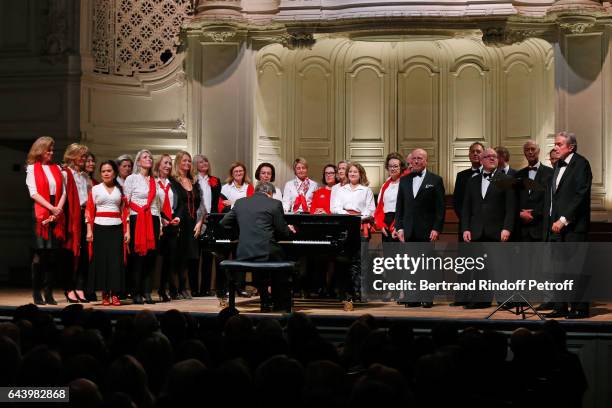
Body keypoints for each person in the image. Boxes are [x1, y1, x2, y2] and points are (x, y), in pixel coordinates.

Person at [220, 182, 296, 312]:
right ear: (270, 193)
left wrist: (242, 231)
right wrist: (289, 229)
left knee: (265, 261)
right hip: (266, 251)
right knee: (284, 260)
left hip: (244, 252)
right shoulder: (275, 204)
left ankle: (265, 301)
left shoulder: (240, 202)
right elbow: (283, 232)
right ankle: (280, 304)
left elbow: (223, 223)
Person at [544, 132, 592, 319]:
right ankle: (560, 306)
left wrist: (564, 219)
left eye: (559, 144)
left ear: (571, 147)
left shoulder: (581, 164)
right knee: (559, 270)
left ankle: (580, 308)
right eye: (555, 144)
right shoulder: (557, 166)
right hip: (556, 226)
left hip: (573, 226)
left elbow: (580, 195)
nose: (555, 147)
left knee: (576, 269)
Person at [462, 147, 516, 309]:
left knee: (501, 268)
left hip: (498, 231)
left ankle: (505, 299)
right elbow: (466, 208)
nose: (492, 158)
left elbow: (511, 208)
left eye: (495, 156)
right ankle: (481, 300)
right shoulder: (472, 180)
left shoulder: (506, 179)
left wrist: (507, 228)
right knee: (481, 269)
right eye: (488, 156)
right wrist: (466, 228)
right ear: (481, 160)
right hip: (477, 231)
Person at [394, 149, 445, 308]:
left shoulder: (435, 180)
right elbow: (399, 207)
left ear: (425, 161)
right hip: (408, 230)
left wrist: (436, 228)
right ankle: (412, 297)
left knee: (426, 266)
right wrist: (399, 227)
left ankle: (427, 297)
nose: (416, 161)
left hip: (427, 230)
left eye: (419, 158)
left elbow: (440, 208)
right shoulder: (405, 180)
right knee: (411, 267)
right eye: (414, 158)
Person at [25, 136, 66, 305]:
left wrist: (57, 211)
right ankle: (36, 292)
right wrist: (51, 208)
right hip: (40, 214)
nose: (51, 152)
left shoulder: (57, 168)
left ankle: (49, 293)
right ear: (40, 150)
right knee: (39, 254)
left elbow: (63, 191)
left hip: (55, 213)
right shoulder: (32, 169)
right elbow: (33, 193)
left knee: (52, 256)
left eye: (52, 149)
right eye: (48, 149)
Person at [85, 160, 129, 306]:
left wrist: (127, 231)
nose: (106, 173)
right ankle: (104, 293)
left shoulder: (120, 189)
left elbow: (125, 211)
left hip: (116, 228)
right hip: (99, 227)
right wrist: (89, 230)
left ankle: (115, 294)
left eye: (109, 171)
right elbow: (89, 211)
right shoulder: (96, 189)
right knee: (102, 261)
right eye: (103, 171)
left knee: (115, 261)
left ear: (114, 172)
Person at [331, 162, 375, 302]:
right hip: (344, 228)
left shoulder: (366, 190)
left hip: (361, 227)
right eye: (350, 172)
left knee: (360, 262)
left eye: (355, 172)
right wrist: (348, 216)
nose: (352, 174)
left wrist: (357, 218)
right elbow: (335, 208)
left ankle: (359, 293)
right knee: (343, 261)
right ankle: (344, 293)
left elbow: (371, 210)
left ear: (360, 174)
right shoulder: (340, 190)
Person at [124, 149, 162, 305]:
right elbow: (126, 203)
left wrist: (159, 224)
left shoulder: (155, 180)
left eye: (150, 157)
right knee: (138, 257)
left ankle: (147, 291)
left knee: (150, 258)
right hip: (136, 219)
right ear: (138, 162)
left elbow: (157, 206)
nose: (149, 159)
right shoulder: (132, 179)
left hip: (152, 218)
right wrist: (126, 226)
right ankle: (136, 292)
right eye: (145, 157)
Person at [173, 151, 205, 299]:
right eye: (184, 161)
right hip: (180, 222)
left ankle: (184, 287)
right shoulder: (173, 181)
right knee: (179, 257)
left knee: (190, 257)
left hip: (193, 223)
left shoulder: (194, 181)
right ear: (178, 162)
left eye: (189, 161)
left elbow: (202, 205)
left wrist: (200, 223)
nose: (187, 163)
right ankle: (177, 288)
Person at [62, 143, 90, 303]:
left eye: (85, 156)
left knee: (85, 253)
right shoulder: (65, 174)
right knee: (70, 254)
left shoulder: (85, 176)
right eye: (81, 155)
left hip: (84, 215)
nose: (84, 159)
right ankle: (69, 287)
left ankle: (80, 286)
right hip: (71, 217)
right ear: (72, 155)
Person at [193, 154, 221, 297]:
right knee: (194, 256)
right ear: (195, 165)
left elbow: (216, 202)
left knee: (208, 256)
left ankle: (205, 289)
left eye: (206, 161)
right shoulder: (192, 180)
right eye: (200, 161)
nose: (204, 163)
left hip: (211, 221)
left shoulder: (215, 180)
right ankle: (194, 289)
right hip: (196, 221)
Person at [155, 154, 182, 302]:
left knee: (169, 260)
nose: (168, 166)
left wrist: (178, 217)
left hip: (172, 225)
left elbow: (180, 204)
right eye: (165, 163)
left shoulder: (173, 183)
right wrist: (161, 218)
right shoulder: (153, 182)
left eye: (170, 164)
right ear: (158, 165)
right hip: (158, 223)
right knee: (154, 258)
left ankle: (163, 289)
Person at [515, 140, 553, 242]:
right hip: (522, 230)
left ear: (538, 151)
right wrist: (520, 213)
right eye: (527, 150)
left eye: (533, 149)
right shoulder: (518, 175)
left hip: (541, 228)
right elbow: (514, 200)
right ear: (524, 153)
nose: (530, 152)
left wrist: (534, 214)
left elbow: (551, 200)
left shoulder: (550, 173)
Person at [453, 142, 484, 243]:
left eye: (478, 151)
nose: (475, 154)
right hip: (466, 226)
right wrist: (466, 219)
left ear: (484, 155)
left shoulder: (491, 175)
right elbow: (457, 201)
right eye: (472, 151)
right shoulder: (461, 176)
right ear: (469, 155)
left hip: (485, 227)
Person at [374, 152, 407, 242]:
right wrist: (381, 225)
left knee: (400, 254)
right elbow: (380, 207)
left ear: (401, 167)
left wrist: (398, 226)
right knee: (388, 254)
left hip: (400, 221)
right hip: (386, 222)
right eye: (390, 166)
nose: (392, 169)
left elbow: (407, 206)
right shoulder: (385, 185)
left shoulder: (406, 183)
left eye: (396, 166)